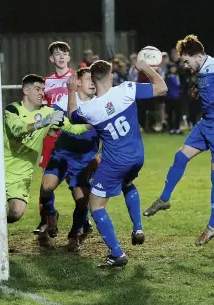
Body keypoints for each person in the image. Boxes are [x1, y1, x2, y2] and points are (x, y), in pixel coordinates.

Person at [0, 74, 89, 256]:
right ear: (25, 90)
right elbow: (19, 130)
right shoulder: (12, 110)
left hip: (22, 175)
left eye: (43, 89)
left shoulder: (48, 112)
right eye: (37, 89)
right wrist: (44, 123)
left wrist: (95, 123)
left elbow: (75, 128)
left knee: (16, 213)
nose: (42, 93)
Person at [143, 34, 214, 246]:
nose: (185, 64)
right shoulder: (199, 71)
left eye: (186, 60)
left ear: (197, 55)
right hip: (205, 125)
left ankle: (213, 225)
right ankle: (164, 199)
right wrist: (198, 91)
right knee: (180, 157)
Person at [67, 59, 167, 268]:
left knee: (96, 206)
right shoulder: (127, 90)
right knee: (128, 184)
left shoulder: (90, 109)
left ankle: (117, 254)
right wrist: (146, 68)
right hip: (137, 157)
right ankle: (138, 227)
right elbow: (162, 88)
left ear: (93, 81)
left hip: (115, 163)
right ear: (111, 76)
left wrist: (70, 90)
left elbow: (72, 116)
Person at [35, 41, 93, 236]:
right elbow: (43, 109)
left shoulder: (78, 78)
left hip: (73, 134)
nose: (60, 57)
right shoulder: (46, 81)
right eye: (57, 54)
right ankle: (48, 217)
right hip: (53, 134)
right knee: (48, 180)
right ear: (52, 59)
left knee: (75, 178)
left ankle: (84, 218)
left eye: (64, 53)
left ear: (69, 57)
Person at [39, 67, 99, 251]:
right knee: (46, 188)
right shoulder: (64, 103)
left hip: (86, 160)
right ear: (77, 82)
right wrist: (50, 125)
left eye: (95, 80)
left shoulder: (100, 104)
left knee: (82, 202)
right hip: (63, 154)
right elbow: (50, 126)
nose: (93, 83)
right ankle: (51, 214)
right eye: (89, 79)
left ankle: (74, 235)